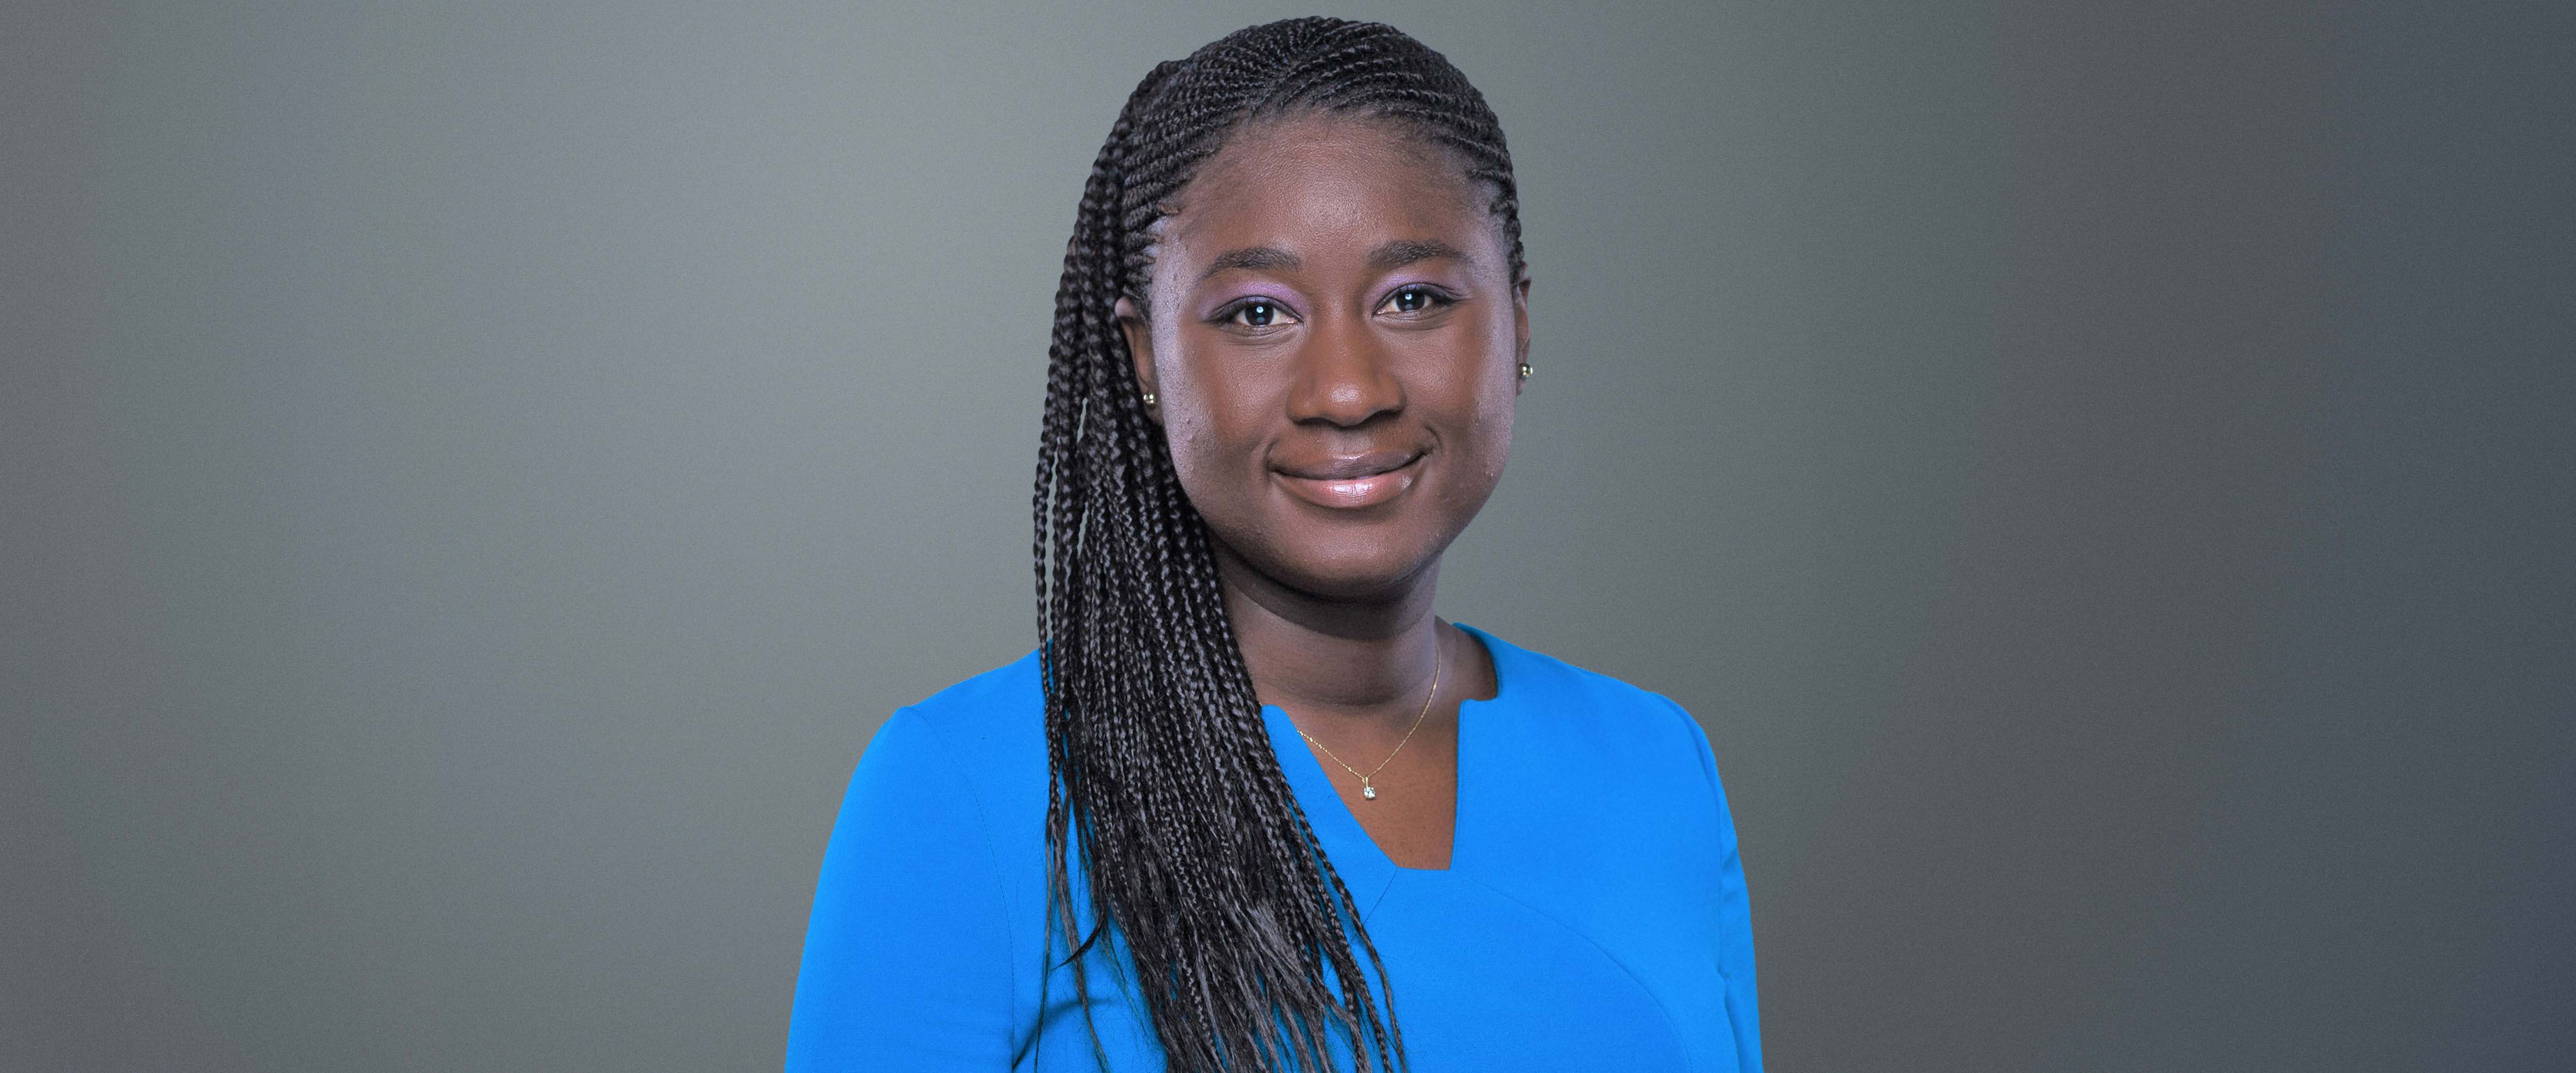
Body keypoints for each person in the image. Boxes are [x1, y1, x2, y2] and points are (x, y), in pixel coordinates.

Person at [786, 18, 1758, 1072]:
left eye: (1415, 298)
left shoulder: (1659, 764)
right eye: (1256, 313)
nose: (1348, 389)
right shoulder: (974, 789)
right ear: (1145, 359)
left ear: (1517, 324)